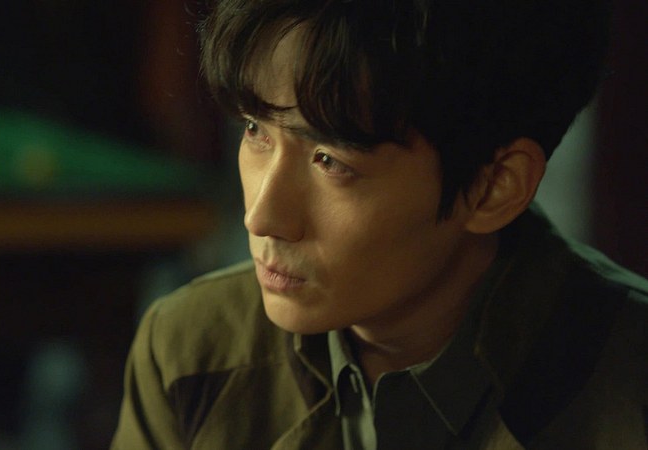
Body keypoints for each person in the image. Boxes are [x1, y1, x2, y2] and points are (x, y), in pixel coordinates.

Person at [111, 0, 648, 448]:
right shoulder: (189, 352)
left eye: (330, 161)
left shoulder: (629, 394)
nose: (262, 216)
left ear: (493, 187)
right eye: (256, 130)